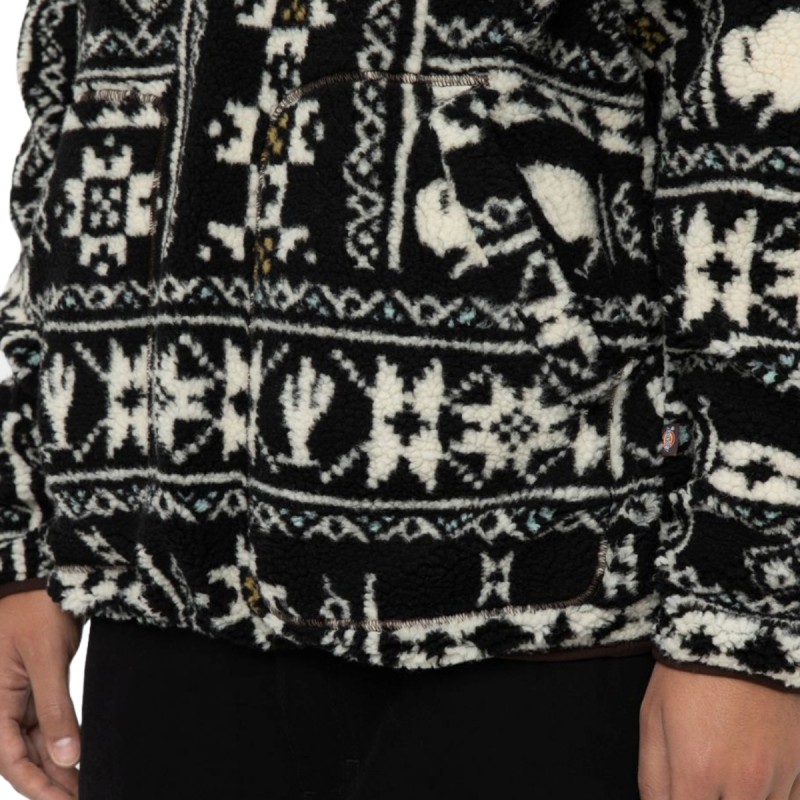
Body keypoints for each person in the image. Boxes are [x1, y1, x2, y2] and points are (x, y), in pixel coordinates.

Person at [1, 0, 799, 797]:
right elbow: (76, 81)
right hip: (161, 582)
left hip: (549, 598)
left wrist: (748, 620)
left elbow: (771, 102)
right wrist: (24, 528)